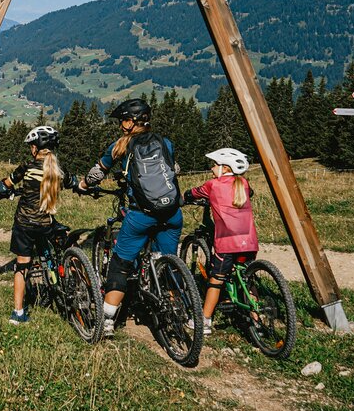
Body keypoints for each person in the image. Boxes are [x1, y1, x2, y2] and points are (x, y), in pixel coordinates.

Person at [78, 98, 183, 337]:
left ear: (132, 122)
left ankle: (106, 321)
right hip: (172, 213)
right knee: (168, 261)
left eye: (123, 120)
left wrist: (83, 184)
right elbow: (174, 169)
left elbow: (98, 172)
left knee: (121, 265)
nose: (120, 125)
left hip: (141, 215)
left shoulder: (120, 146)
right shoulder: (165, 142)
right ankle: (179, 311)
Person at [0, 125, 68, 325]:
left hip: (25, 224)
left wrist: (1, 191)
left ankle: (18, 313)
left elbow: (5, 184)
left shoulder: (27, 167)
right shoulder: (59, 171)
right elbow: (73, 182)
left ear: (35, 148)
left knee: (22, 266)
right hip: (46, 224)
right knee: (53, 242)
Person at [183, 147, 258, 335]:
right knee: (248, 278)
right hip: (249, 242)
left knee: (216, 280)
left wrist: (184, 198)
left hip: (227, 243)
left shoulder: (213, 185)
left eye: (215, 165)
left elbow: (193, 193)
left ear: (225, 168)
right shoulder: (245, 184)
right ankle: (257, 319)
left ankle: (205, 321)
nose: (211, 168)